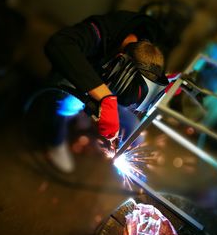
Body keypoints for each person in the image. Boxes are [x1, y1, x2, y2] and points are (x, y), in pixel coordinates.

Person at [41, 10, 169, 173]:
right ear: (120, 62)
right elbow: (57, 44)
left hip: (110, 86)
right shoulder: (103, 32)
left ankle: (88, 114)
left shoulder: (149, 47)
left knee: (133, 125)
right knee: (66, 101)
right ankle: (55, 142)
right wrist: (105, 98)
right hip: (78, 77)